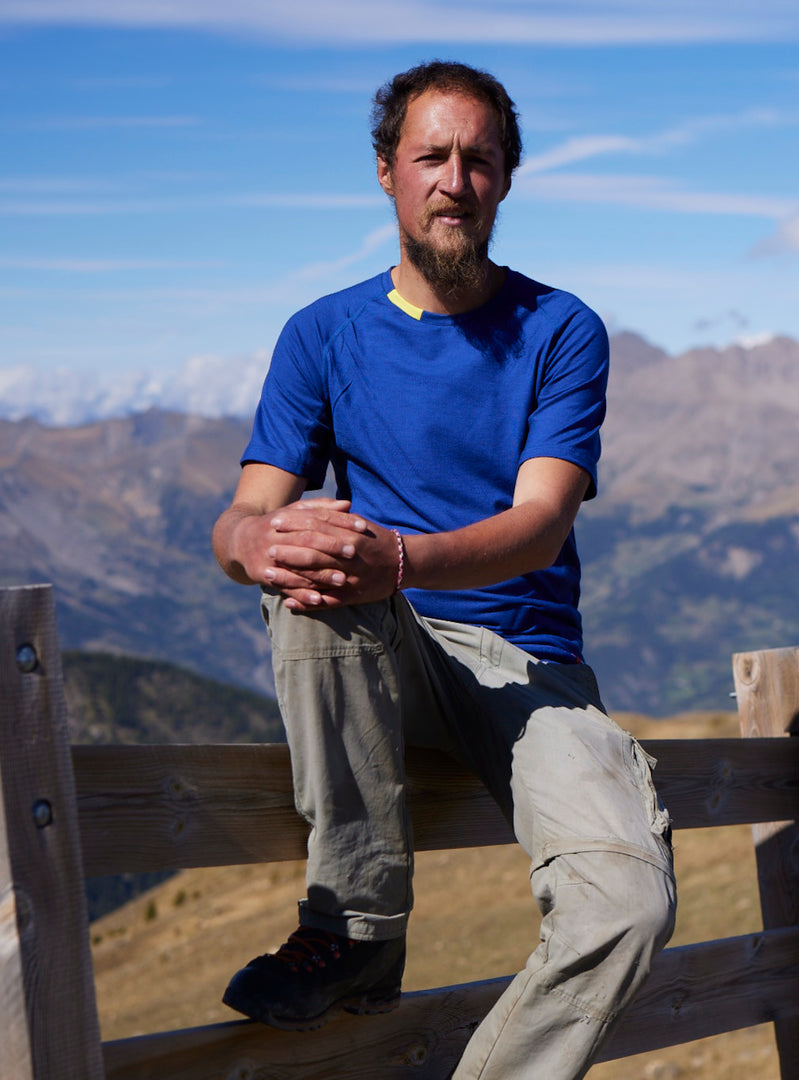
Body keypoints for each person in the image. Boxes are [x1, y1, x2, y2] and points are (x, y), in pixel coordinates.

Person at [211, 60, 676, 1079]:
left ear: (505, 181)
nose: (454, 180)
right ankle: (359, 926)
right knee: (307, 564)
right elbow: (242, 518)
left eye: (479, 160)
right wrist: (261, 543)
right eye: (432, 156)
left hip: (527, 666)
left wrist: (403, 559)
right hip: (389, 649)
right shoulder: (322, 334)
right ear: (388, 173)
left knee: (630, 905)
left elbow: (541, 523)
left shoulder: (560, 330)